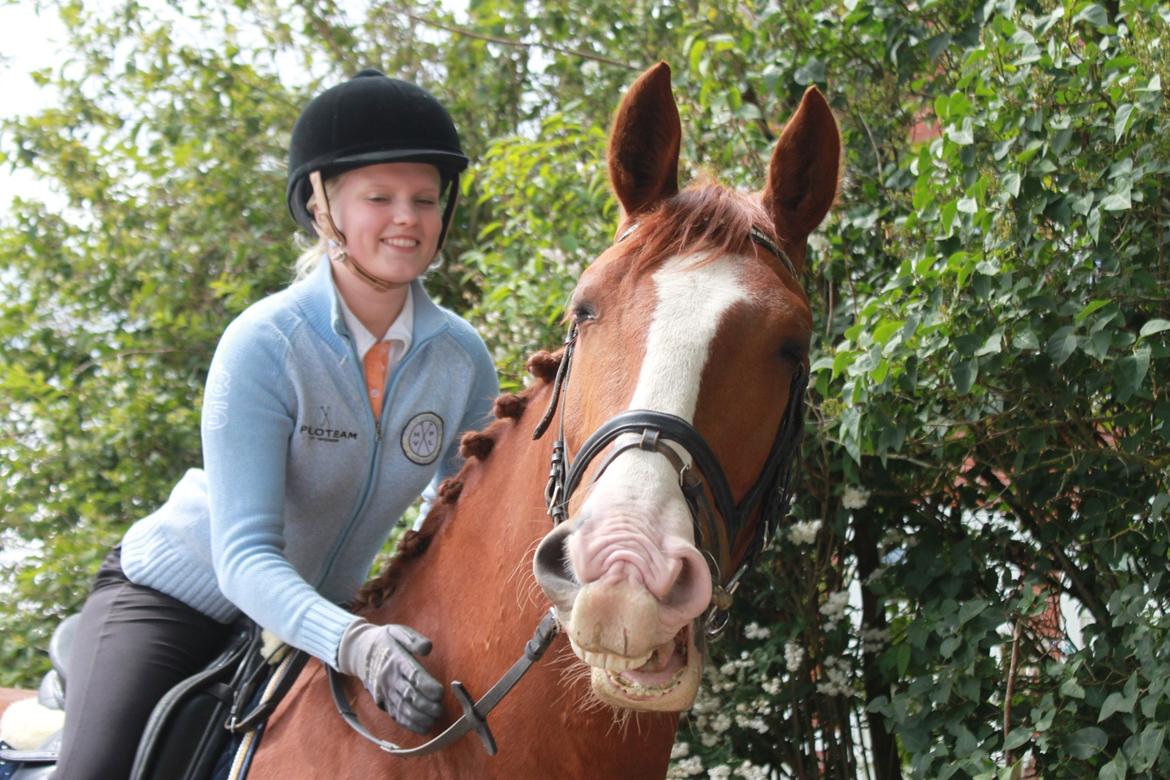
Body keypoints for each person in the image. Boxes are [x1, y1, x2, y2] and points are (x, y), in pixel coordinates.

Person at [55, 68, 499, 780]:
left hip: (328, 617)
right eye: (378, 198)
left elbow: (462, 526)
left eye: (424, 198)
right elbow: (244, 559)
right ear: (322, 206)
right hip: (181, 597)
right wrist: (356, 643)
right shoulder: (265, 342)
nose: (408, 219)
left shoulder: (462, 360)